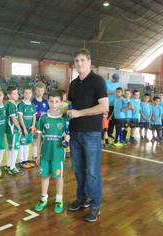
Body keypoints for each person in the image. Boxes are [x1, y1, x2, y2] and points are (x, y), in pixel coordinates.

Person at [67, 48, 108, 222]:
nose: (79, 63)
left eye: (82, 60)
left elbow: (104, 107)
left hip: (91, 133)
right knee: (78, 170)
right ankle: (82, 199)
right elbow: (69, 106)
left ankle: (95, 205)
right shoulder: (74, 83)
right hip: (75, 133)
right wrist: (53, 109)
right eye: (77, 61)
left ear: (89, 62)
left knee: (92, 171)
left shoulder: (98, 81)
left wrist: (80, 113)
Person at [34, 90, 69, 213]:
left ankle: (59, 199)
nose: (54, 104)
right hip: (45, 153)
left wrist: (67, 138)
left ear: (61, 102)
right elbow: (39, 137)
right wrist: (38, 154)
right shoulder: (43, 118)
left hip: (58, 154)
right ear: (47, 101)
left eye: (56, 101)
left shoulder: (64, 119)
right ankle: (43, 198)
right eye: (51, 101)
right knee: (45, 176)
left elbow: (67, 137)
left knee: (58, 178)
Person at [5, 86, 23, 175]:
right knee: (15, 148)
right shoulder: (11, 105)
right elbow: (13, 119)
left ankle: (8, 165)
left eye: (17, 93)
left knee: (10, 147)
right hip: (12, 129)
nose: (17, 95)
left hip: (10, 129)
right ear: (9, 95)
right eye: (14, 93)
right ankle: (12, 167)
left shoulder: (11, 104)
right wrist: (19, 127)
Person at [18, 86, 36, 169]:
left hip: (30, 128)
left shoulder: (32, 105)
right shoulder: (21, 104)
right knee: (22, 144)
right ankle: (21, 160)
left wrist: (33, 125)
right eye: (26, 93)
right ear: (22, 94)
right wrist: (24, 128)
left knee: (27, 143)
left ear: (32, 94)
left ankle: (25, 159)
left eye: (30, 93)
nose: (28, 95)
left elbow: (34, 116)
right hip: (23, 129)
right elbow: (20, 117)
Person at [31, 82, 49, 161]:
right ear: (35, 91)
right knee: (35, 140)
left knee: (44, 139)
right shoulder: (33, 102)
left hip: (44, 122)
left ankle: (42, 154)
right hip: (37, 122)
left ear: (44, 91)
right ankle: (35, 155)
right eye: (38, 91)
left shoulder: (45, 101)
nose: (40, 93)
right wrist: (33, 124)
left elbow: (48, 111)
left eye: (41, 91)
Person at [106, 73, 120, 139]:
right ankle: (103, 133)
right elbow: (103, 92)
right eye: (115, 80)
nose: (115, 81)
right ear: (112, 77)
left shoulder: (117, 84)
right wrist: (112, 92)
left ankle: (110, 133)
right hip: (107, 104)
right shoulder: (106, 83)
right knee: (105, 119)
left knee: (112, 120)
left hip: (115, 104)